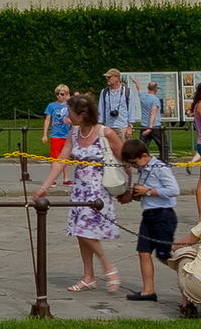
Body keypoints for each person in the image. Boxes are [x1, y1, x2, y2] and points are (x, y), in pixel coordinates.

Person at [32, 90, 123, 294]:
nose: (67, 115)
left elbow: (124, 156)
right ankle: (88, 277)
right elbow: (61, 161)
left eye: (70, 112)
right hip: (80, 190)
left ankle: (108, 267)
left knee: (84, 230)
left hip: (98, 190)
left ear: (82, 114)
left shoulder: (104, 132)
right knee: (81, 234)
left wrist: (127, 189)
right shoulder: (73, 132)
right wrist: (45, 187)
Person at [119, 134, 180, 302]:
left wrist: (149, 191)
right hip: (148, 215)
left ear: (144, 156)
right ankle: (148, 291)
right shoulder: (145, 169)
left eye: (134, 162)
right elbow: (145, 189)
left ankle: (190, 276)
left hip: (163, 215)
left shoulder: (160, 168)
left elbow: (174, 190)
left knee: (164, 255)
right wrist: (135, 194)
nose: (133, 166)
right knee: (143, 252)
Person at [98, 69, 135, 137]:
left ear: (117, 78)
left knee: (123, 147)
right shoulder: (104, 92)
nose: (107, 79)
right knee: (108, 147)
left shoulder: (127, 91)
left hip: (122, 127)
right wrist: (99, 125)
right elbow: (101, 109)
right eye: (107, 77)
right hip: (108, 127)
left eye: (109, 77)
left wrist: (130, 127)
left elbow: (131, 110)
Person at [137, 83, 167, 162]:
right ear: (156, 89)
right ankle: (164, 162)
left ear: (148, 88)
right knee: (163, 145)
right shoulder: (155, 99)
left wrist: (137, 82)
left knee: (142, 147)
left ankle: (142, 164)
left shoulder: (143, 96)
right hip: (155, 126)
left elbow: (139, 90)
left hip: (143, 126)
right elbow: (153, 113)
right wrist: (150, 127)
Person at [43, 85, 72, 157]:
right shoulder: (51, 106)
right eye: (57, 94)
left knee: (65, 159)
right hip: (55, 135)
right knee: (55, 158)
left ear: (66, 94)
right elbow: (47, 120)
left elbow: (75, 120)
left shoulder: (70, 106)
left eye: (62, 94)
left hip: (67, 135)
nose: (59, 96)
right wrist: (44, 135)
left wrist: (70, 121)